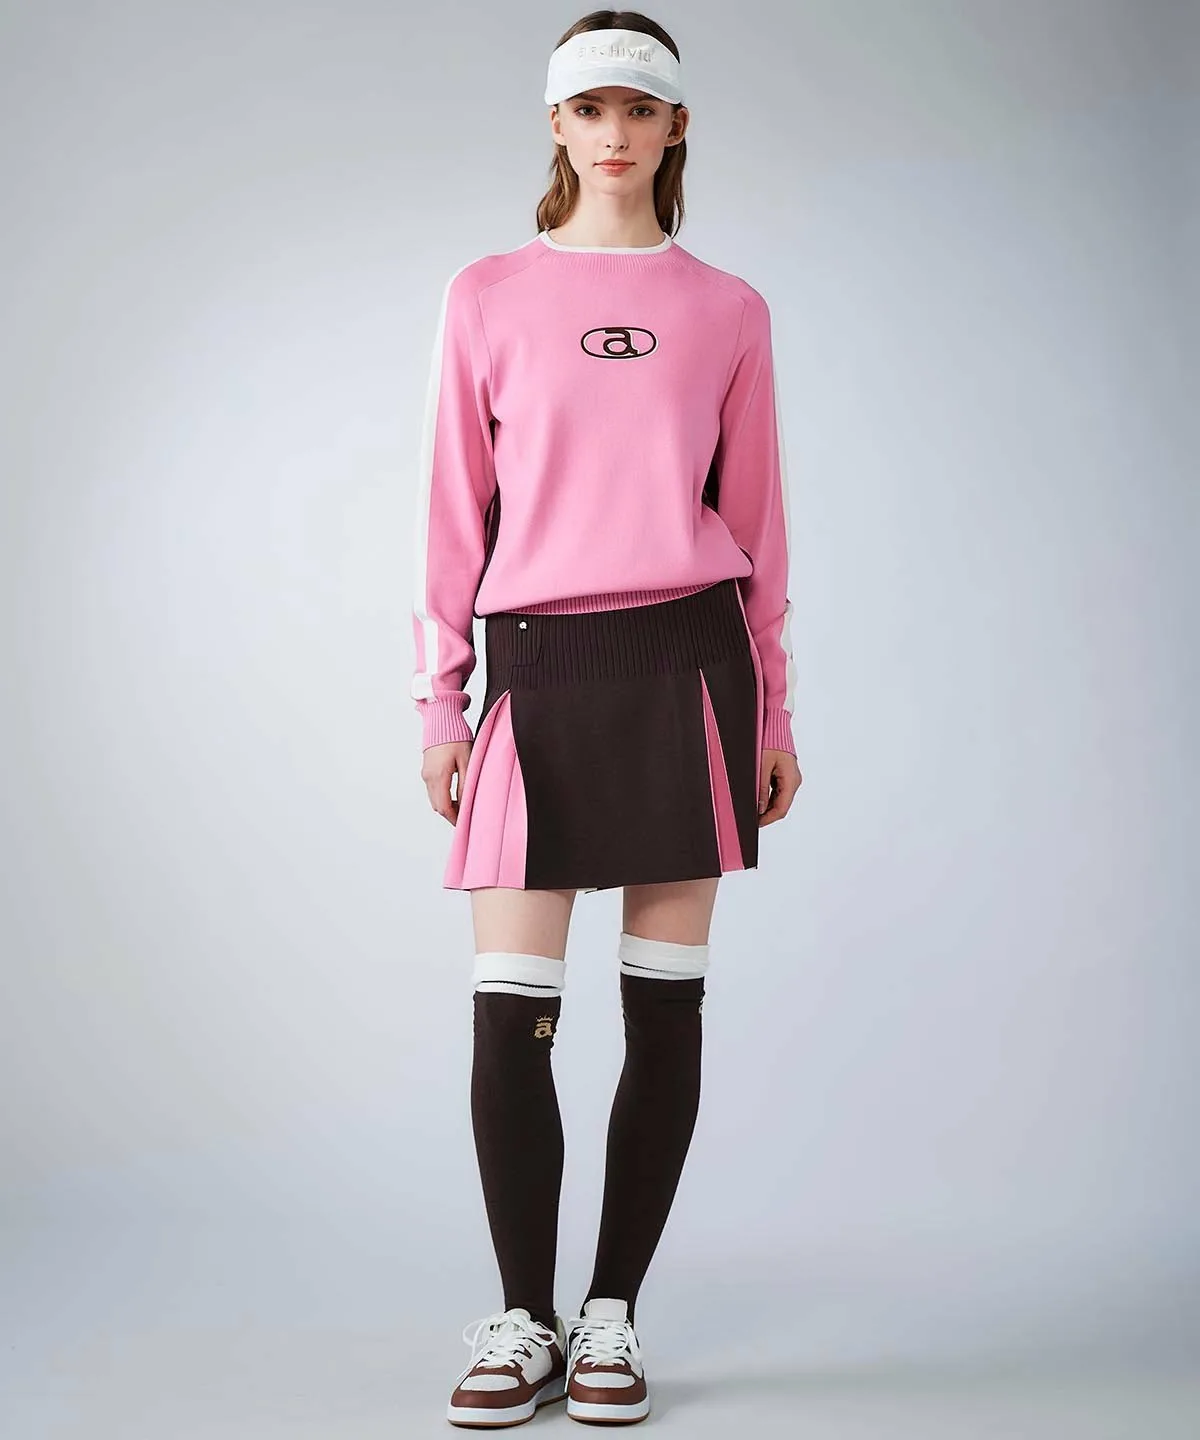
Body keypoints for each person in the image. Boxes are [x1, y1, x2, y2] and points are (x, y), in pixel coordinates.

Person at [411, 11, 803, 1427]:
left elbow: (757, 521)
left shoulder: (730, 309)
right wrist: (441, 699)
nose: (615, 132)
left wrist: (774, 708)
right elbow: (451, 516)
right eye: (590, 108)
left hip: (690, 667)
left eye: (640, 108)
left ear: (675, 125)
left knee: (662, 1008)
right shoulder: (486, 295)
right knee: (509, 1015)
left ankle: (612, 1316)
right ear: (556, 126)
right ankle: (523, 1314)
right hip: (537, 666)